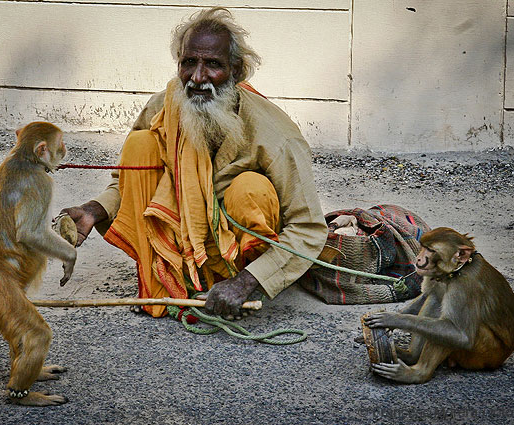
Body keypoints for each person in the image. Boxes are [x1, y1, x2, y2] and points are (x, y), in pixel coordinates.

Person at [62, 7, 328, 319]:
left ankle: (227, 284)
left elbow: (308, 228)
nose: (198, 78)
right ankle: (165, 280)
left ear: (237, 71)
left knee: (249, 188)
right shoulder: (165, 105)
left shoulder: (278, 136)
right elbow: (132, 179)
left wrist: (246, 282)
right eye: (189, 63)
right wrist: (95, 209)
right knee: (140, 144)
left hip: (239, 255)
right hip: (178, 234)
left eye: (213, 65)